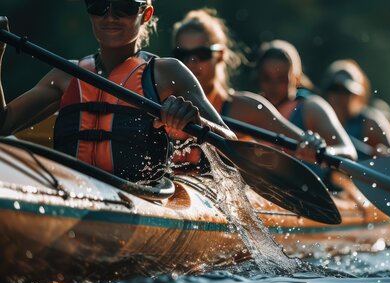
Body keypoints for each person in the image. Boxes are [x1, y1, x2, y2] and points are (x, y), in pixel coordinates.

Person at [0, 0, 236, 182]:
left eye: (124, 6)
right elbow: (3, 126)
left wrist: (198, 122)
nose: (110, 16)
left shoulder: (167, 72)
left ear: (146, 14)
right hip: (68, 190)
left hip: (140, 197)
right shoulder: (66, 74)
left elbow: (231, 146)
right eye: (99, 5)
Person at [170, 9, 327, 166]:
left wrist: (312, 145)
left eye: (201, 54)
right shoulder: (162, 102)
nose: (191, 62)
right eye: (182, 54)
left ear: (220, 55)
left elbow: (302, 142)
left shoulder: (246, 109)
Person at [255, 40, 357, 161]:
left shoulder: (312, 108)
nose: (273, 86)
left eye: (281, 79)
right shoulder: (249, 107)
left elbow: (349, 151)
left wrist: (323, 152)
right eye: (267, 78)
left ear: (296, 78)